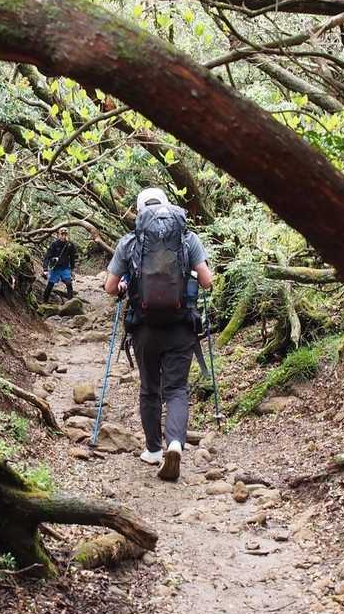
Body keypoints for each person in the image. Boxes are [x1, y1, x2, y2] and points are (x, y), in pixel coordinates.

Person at [103, 187, 215, 481]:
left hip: (144, 329)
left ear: (140, 211)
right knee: (176, 389)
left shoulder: (129, 242)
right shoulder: (188, 239)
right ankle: (175, 443)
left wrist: (125, 285)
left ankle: (153, 449)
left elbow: (110, 287)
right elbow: (207, 281)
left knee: (149, 389)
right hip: (181, 327)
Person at [42, 226, 78, 303]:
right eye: (62, 234)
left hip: (65, 268)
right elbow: (47, 257)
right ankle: (44, 302)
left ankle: (71, 302)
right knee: (50, 284)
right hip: (55, 268)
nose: (64, 236)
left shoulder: (70, 245)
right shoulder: (54, 244)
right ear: (59, 234)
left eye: (65, 234)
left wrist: (72, 270)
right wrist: (45, 269)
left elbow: (72, 258)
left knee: (69, 283)